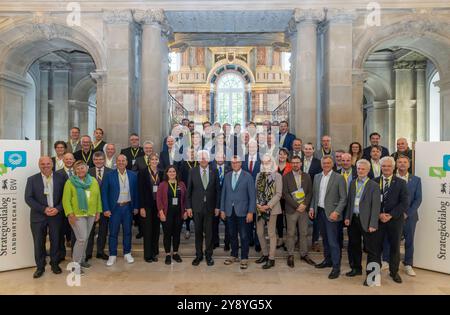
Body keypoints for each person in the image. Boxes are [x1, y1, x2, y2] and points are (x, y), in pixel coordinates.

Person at [25, 157, 66, 278]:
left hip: (56, 215)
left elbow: (66, 196)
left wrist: (58, 208)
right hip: (38, 216)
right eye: (42, 164)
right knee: (38, 242)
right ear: (39, 165)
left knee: (56, 241)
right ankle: (40, 267)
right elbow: (28, 198)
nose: (45, 166)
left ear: (52, 164)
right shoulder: (32, 179)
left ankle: (54, 264)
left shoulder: (61, 178)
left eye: (48, 163)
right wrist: (44, 209)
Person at [383, 156, 422, 277]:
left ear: (409, 165)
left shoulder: (416, 180)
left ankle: (408, 264)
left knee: (409, 240)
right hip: (393, 216)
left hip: (409, 216)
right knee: (389, 239)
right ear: (396, 165)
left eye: (405, 162)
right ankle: (386, 260)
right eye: (399, 162)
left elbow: (418, 199)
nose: (402, 164)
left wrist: (407, 213)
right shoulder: (391, 178)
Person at [344, 159, 381, 286]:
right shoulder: (353, 183)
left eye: (363, 169)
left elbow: (376, 207)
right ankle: (356, 269)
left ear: (368, 170)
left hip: (368, 221)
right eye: (358, 168)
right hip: (354, 219)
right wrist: (348, 217)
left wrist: (373, 224)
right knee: (354, 245)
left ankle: (372, 277)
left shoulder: (374, 185)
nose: (360, 171)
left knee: (372, 250)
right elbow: (350, 202)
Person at [309, 156, 347, 279]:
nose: (326, 164)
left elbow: (343, 198)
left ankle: (336, 267)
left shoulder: (339, 177)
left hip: (332, 214)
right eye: (324, 163)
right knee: (325, 239)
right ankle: (327, 260)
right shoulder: (317, 177)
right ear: (321, 164)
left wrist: (337, 212)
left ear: (332, 164)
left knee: (333, 241)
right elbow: (315, 195)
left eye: (328, 163)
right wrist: (312, 207)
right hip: (320, 212)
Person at [62, 161, 102, 274]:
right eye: (78, 169)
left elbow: (98, 197)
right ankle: (75, 265)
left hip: (91, 214)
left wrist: (98, 211)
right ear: (75, 170)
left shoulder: (93, 181)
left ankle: (82, 259)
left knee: (86, 238)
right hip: (77, 215)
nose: (80, 170)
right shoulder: (70, 182)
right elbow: (66, 200)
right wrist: (70, 214)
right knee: (81, 239)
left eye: (82, 168)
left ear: (87, 168)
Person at [375, 156, 409, 283]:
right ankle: (375, 271)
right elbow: (371, 202)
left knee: (395, 247)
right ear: (380, 167)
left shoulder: (401, 183)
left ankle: (394, 272)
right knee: (376, 247)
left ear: (393, 167)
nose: (386, 168)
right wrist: (379, 214)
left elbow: (404, 203)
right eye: (383, 166)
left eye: (389, 166)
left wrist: (390, 215)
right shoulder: (373, 181)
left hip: (395, 220)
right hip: (378, 220)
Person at [101, 154, 139, 266]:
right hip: (115, 208)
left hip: (127, 207)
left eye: (123, 160)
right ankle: (112, 255)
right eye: (119, 161)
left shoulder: (133, 175)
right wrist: (106, 209)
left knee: (127, 232)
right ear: (116, 162)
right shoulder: (109, 175)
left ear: (127, 163)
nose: (121, 162)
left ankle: (127, 253)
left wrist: (136, 206)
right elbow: (104, 193)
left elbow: (136, 192)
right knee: (113, 233)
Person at [220, 156, 256, 270]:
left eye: (237, 162)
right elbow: (223, 194)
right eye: (233, 162)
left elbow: (252, 196)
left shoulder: (248, 176)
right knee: (232, 234)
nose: (235, 164)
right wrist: (222, 209)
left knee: (244, 235)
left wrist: (251, 211)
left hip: (243, 211)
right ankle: (234, 255)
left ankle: (244, 257)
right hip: (229, 211)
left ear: (241, 163)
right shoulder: (227, 176)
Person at [186, 150, 220, 266]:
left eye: (205, 157)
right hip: (196, 207)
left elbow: (217, 191)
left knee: (209, 233)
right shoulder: (192, 171)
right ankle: (198, 255)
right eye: (201, 158)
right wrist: (188, 207)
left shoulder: (214, 171)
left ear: (209, 159)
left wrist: (217, 207)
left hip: (210, 208)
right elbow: (189, 191)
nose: (203, 160)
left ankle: (209, 255)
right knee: (198, 232)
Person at [283, 155, 315, 268]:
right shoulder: (286, 177)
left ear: (301, 163)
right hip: (292, 209)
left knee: (304, 233)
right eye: (293, 163)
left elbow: (310, 192)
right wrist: (297, 205)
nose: (295, 164)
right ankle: (290, 254)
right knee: (291, 233)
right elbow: (285, 194)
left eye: (297, 162)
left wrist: (304, 205)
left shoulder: (307, 176)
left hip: (304, 210)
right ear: (291, 164)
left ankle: (304, 254)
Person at [254, 154, 283, 269]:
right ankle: (265, 254)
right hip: (259, 209)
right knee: (260, 233)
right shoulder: (258, 175)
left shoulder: (277, 176)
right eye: (263, 162)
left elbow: (279, 194)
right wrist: (258, 204)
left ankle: (271, 258)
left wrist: (268, 206)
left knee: (271, 234)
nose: (265, 164)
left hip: (272, 209)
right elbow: (255, 191)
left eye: (268, 162)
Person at [157, 165, 188, 265]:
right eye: (170, 171)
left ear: (176, 173)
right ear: (166, 173)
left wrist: (186, 211)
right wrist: (161, 212)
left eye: (173, 171)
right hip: (167, 213)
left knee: (176, 234)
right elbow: (159, 199)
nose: (172, 173)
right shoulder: (162, 185)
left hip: (179, 213)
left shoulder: (182, 184)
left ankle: (175, 253)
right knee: (167, 234)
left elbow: (186, 199)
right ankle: (167, 254)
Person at [87, 151, 112, 260]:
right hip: (91, 207)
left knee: (103, 230)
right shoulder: (88, 172)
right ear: (93, 161)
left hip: (105, 206)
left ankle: (100, 252)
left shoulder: (111, 172)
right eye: (96, 159)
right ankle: (88, 252)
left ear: (104, 160)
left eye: (101, 159)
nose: (98, 161)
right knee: (90, 230)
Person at [138, 153, 163, 262]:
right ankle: (147, 255)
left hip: (158, 205)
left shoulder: (161, 173)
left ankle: (154, 253)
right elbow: (140, 191)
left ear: (158, 161)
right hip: (147, 205)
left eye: (156, 159)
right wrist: (141, 207)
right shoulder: (143, 172)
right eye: (152, 159)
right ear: (149, 161)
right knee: (148, 230)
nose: (154, 161)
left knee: (156, 230)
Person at [302, 143, 322, 251]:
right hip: (300, 194)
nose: (308, 150)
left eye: (310, 149)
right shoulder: (298, 161)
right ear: (303, 150)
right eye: (306, 149)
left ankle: (315, 241)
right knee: (300, 216)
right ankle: (301, 240)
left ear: (313, 150)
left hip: (314, 193)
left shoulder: (318, 163)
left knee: (315, 218)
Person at [56, 152, 75, 260]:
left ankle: (75, 256)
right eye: (66, 159)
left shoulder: (78, 173)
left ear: (74, 160)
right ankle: (61, 255)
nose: (68, 161)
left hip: (75, 209)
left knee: (74, 234)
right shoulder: (57, 173)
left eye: (70, 159)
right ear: (63, 160)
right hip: (61, 208)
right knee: (60, 233)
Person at [243, 139, 261, 252]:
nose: (252, 148)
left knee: (258, 219)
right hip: (245, 194)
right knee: (248, 218)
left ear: (257, 147)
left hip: (259, 194)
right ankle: (249, 239)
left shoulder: (262, 159)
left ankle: (258, 241)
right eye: (250, 146)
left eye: (254, 146)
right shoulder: (243, 159)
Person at [211, 152, 231, 250]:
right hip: (214, 199)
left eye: (221, 156)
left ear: (224, 157)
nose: (219, 158)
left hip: (227, 199)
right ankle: (215, 242)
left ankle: (227, 243)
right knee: (214, 223)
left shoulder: (230, 168)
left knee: (227, 223)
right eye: (217, 156)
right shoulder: (211, 169)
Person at [275, 148, 291, 251]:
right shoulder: (274, 166)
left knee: (288, 219)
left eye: (284, 154)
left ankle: (288, 240)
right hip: (277, 197)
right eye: (280, 154)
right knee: (279, 219)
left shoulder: (290, 166)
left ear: (287, 156)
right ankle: (280, 238)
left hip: (288, 196)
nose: (282, 156)